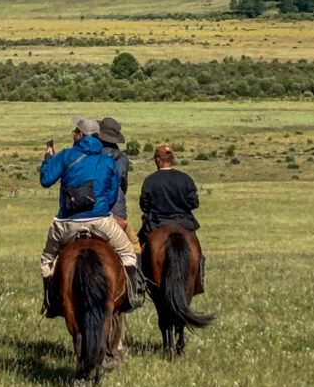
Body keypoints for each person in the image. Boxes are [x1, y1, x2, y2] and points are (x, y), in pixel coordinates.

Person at [39, 117, 145, 316]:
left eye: (74, 131)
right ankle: (129, 297)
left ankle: (51, 302)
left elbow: (46, 180)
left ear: (79, 134)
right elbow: (113, 193)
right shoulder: (108, 160)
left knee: (47, 260)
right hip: (101, 222)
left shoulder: (66, 155)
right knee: (128, 254)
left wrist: (48, 159)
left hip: (67, 223)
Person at [139, 144, 205, 293]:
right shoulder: (185, 178)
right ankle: (198, 281)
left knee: (137, 249)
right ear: (172, 159)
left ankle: (138, 281)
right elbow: (194, 203)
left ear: (157, 160)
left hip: (156, 224)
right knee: (198, 252)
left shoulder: (150, 181)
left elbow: (144, 206)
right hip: (183, 223)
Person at [97, 116, 140, 253]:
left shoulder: (92, 156)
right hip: (117, 207)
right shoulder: (122, 159)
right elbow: (123, 185)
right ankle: (135, 273)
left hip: (92, 206)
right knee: (132, 247)